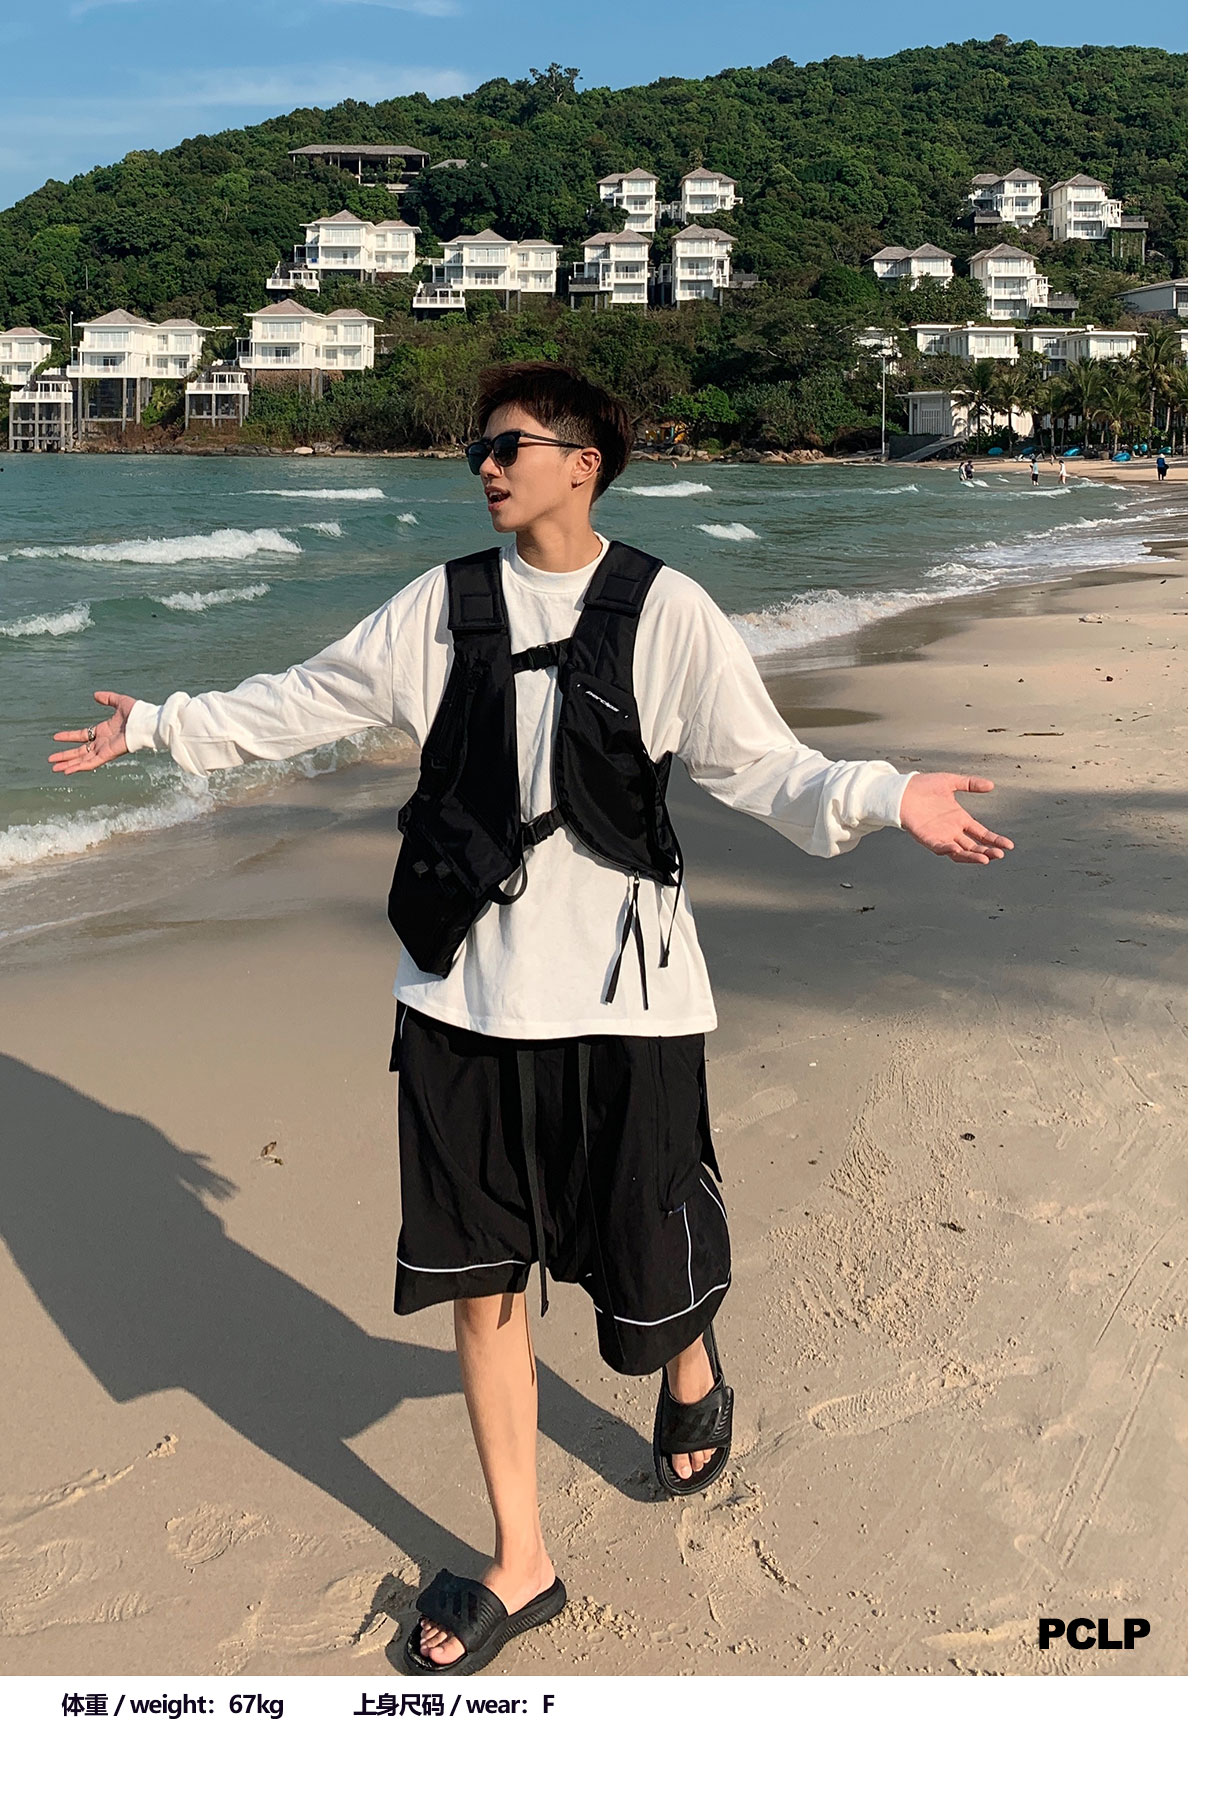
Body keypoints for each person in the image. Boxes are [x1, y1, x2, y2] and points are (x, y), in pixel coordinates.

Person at [49, 362, 1013, 1675]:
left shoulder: (666, 609)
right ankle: (523, 1559)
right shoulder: (442, 606)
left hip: (629, 1004)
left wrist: (888, 794)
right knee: (482, 1285)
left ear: (583, 463)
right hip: (463, 999)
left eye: (509, 445)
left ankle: (686, 1363)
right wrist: (163, 725)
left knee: (643, 1252)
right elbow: (310, 697)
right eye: (478, 451)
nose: (487, 467)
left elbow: (767, 768)